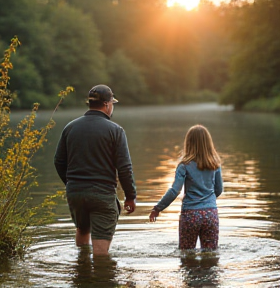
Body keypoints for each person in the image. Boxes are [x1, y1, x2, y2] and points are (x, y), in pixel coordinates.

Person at [54, 84, 137, 256]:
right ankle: (101, 278)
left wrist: (72, 184)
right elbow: (124, 168)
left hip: (75, 193)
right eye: (112, 104)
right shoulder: (116, 131)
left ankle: (82, 272)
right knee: (100, 252)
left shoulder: (70, 127)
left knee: (83, 230)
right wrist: (130, 196)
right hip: (102, 194)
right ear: (107, 105)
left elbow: (59, 161)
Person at [149, 124, 223, 251]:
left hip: (190, 214)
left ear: (188, 143)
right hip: (211, 214)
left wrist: (158, 208)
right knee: (210, 255)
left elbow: (174, 191)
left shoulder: (184, 165)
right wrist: (207, 200)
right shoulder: (215, 164)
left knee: (186, 255)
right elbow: (219, 189)